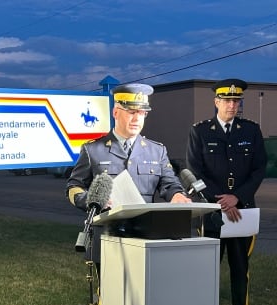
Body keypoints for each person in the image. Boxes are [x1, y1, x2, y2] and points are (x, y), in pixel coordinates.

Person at [66, 83, 191, 262]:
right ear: (115, 112)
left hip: (145, 237)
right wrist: (89, 200)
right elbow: (74, 186)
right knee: (109, 290)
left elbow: (169, 183)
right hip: (107, 237)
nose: (137, 119)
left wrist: (177, 195)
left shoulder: (157, 151)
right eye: (131, 112)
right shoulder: (92, 150)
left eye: (142, 113)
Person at [186, 78, 267, 305]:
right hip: (211, 214)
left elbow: (258, 169)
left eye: (237, 101)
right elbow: (194, 173)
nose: (232, 105)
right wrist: (220, 201)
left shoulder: (251, 131)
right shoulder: (200, 132)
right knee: (207, 272)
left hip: (241, 213)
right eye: (227, 100)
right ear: (216, 102)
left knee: (240, 270)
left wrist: (238, 198)